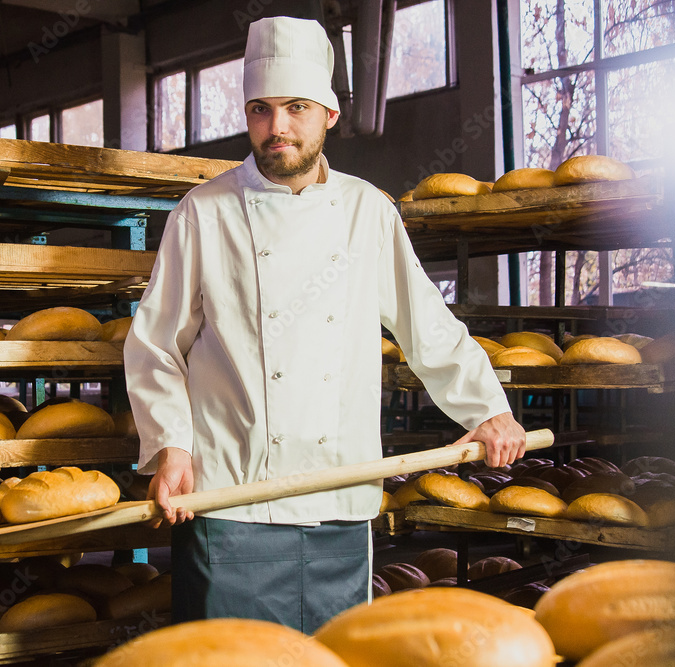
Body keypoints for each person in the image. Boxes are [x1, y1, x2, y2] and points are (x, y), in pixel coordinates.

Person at [123, 15, 526, 632]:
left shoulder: (369, 210)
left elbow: (425, 323)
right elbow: (155, 343)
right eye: (261, 109)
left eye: (296, 108)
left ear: (329, 115)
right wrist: (171, 444)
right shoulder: (203, 213)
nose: (276, 127)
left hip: (341, 494)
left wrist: (486, 407)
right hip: (233, 500)